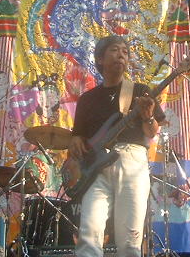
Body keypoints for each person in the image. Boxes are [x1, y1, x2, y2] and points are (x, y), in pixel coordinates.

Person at [69, 35, 166, 257]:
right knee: (89, 234)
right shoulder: (87, 99)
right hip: (96, 170)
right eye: (114, 50)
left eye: (125, 51)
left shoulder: (140, 91)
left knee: (130, 240)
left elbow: (152, 132)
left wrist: (148, 116)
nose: (121, 54)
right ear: (100, 59)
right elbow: (77, 137)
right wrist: (74, 141)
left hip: (131, 162)